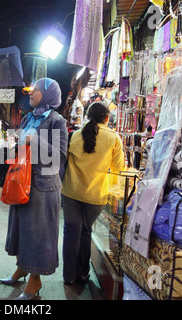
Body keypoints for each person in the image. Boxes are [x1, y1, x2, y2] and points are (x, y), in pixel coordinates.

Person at [0, 78, 68, 300]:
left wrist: (34, 140)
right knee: (21, 230)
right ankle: (22, 268)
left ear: (48, 94)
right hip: (22, 182)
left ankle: (35, 281)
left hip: (43, 188)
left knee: (38, 235)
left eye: (36, 89)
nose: (31, 92)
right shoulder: (29, 117)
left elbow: (60, 156)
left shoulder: (57, 121)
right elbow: (21, 146)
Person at [61, 101, 125, 286]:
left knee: (71, 232)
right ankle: (83, 273)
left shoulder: (74, 135)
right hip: (96, 195)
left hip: (71, 192)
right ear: (107, 117)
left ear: (88, 116)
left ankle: (68, 276)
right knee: (85, 231)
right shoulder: (113, 137)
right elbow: (118, 169)